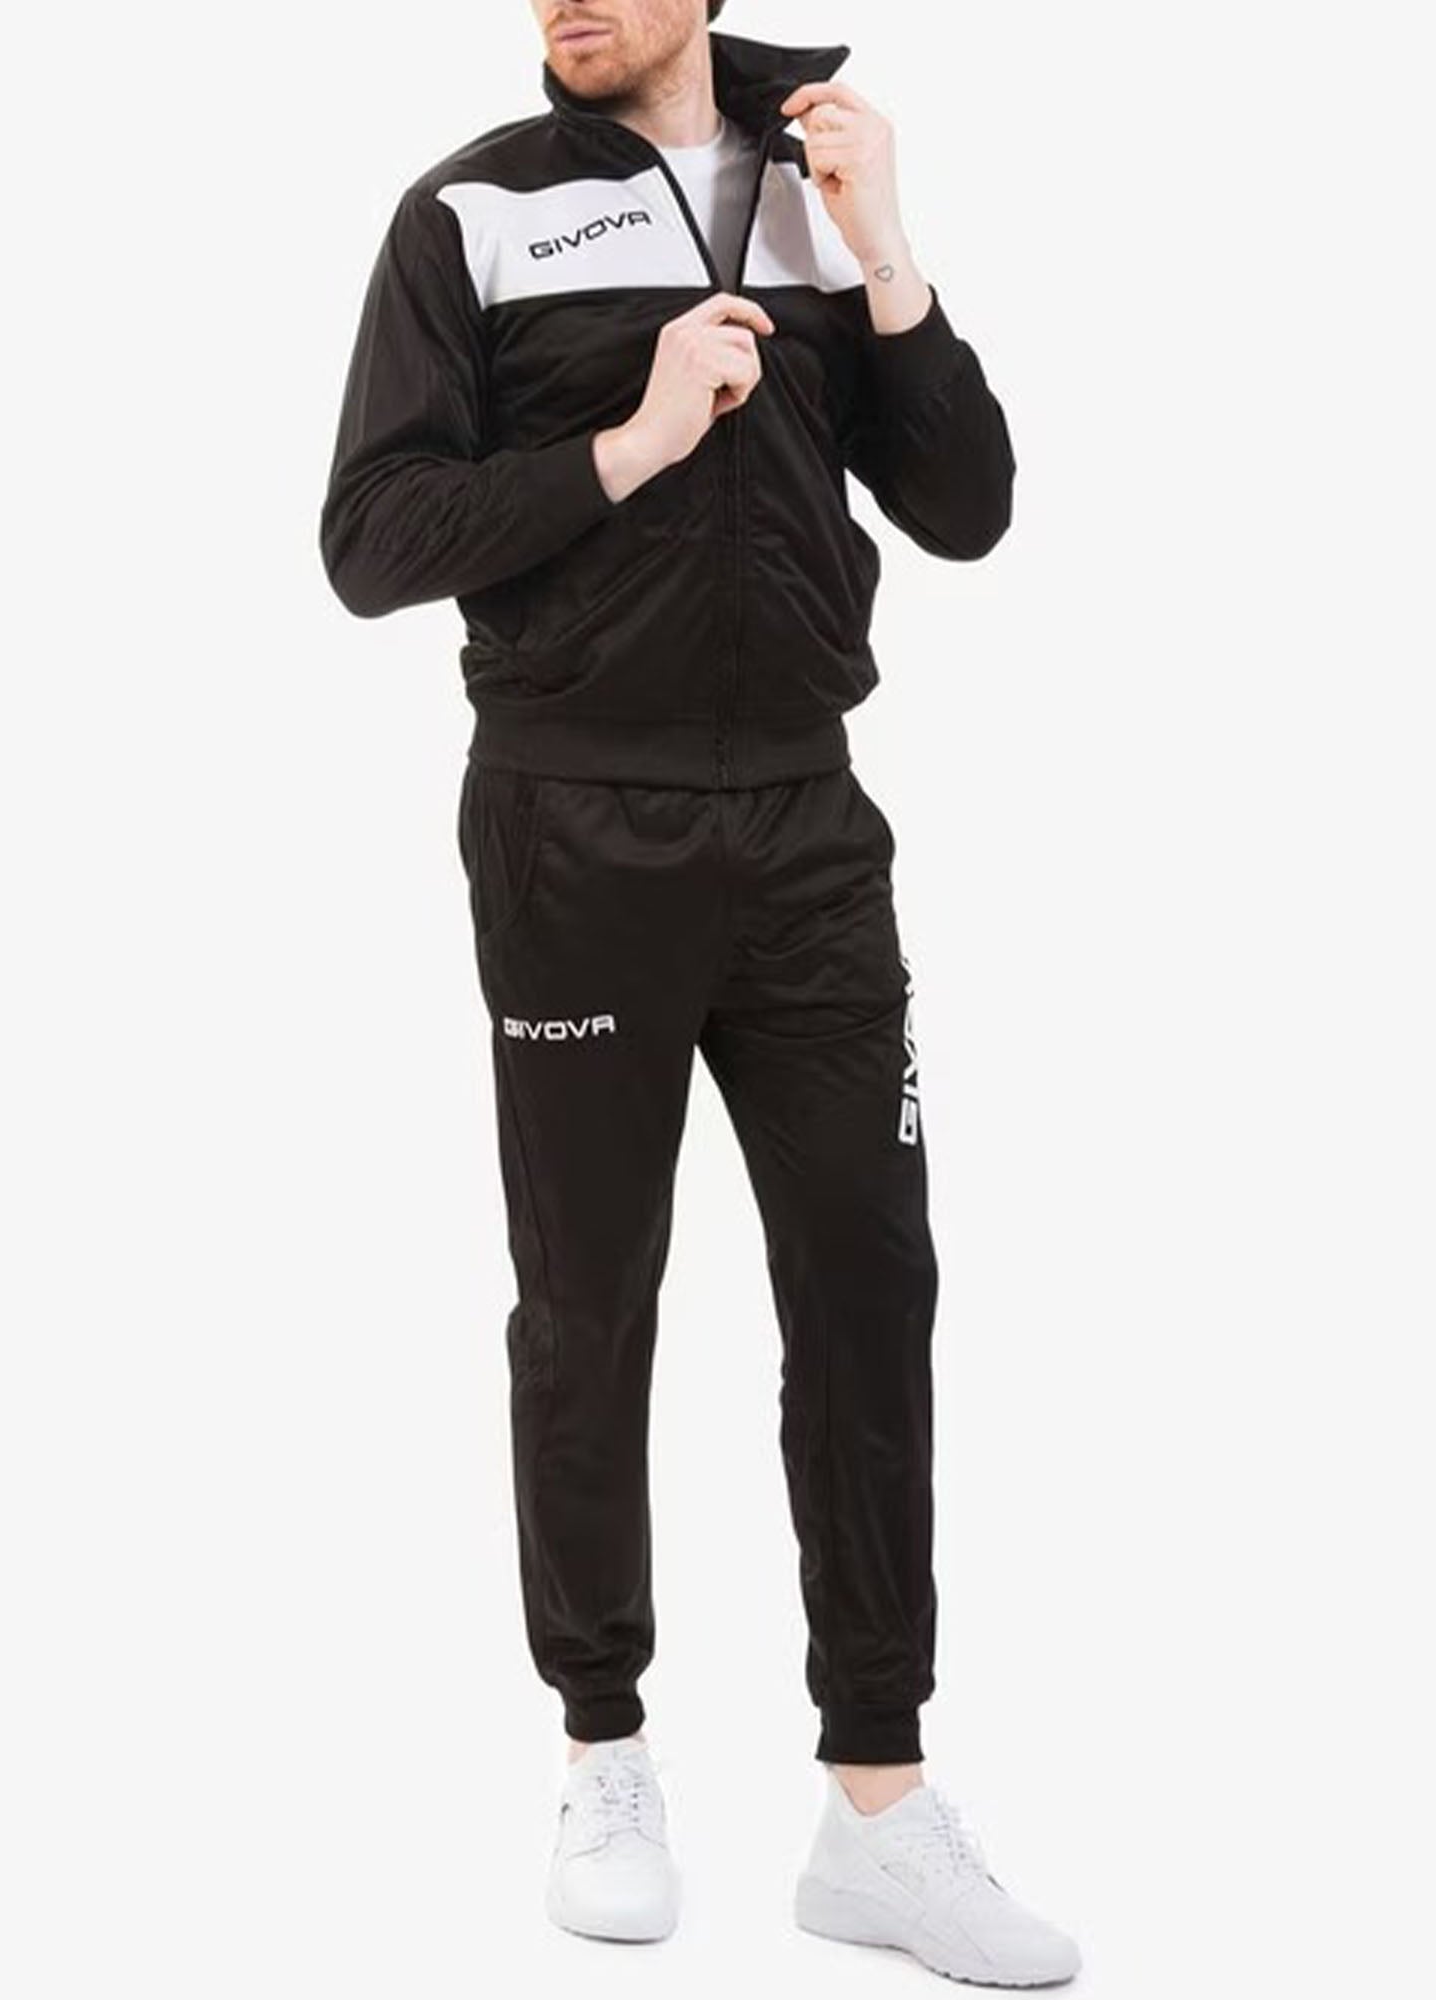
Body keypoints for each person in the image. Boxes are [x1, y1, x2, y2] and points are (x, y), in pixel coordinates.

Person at [320, 1, 1080, 1982]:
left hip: (811, 829)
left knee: (870, 1282)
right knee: (589, 1298)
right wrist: (632, 442)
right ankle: (605, 1753)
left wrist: (890, 256)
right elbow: (373, 540)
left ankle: (879, 1810)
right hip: (575, 826)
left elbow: (970, 507)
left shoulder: (823, 187)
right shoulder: (472, 214)